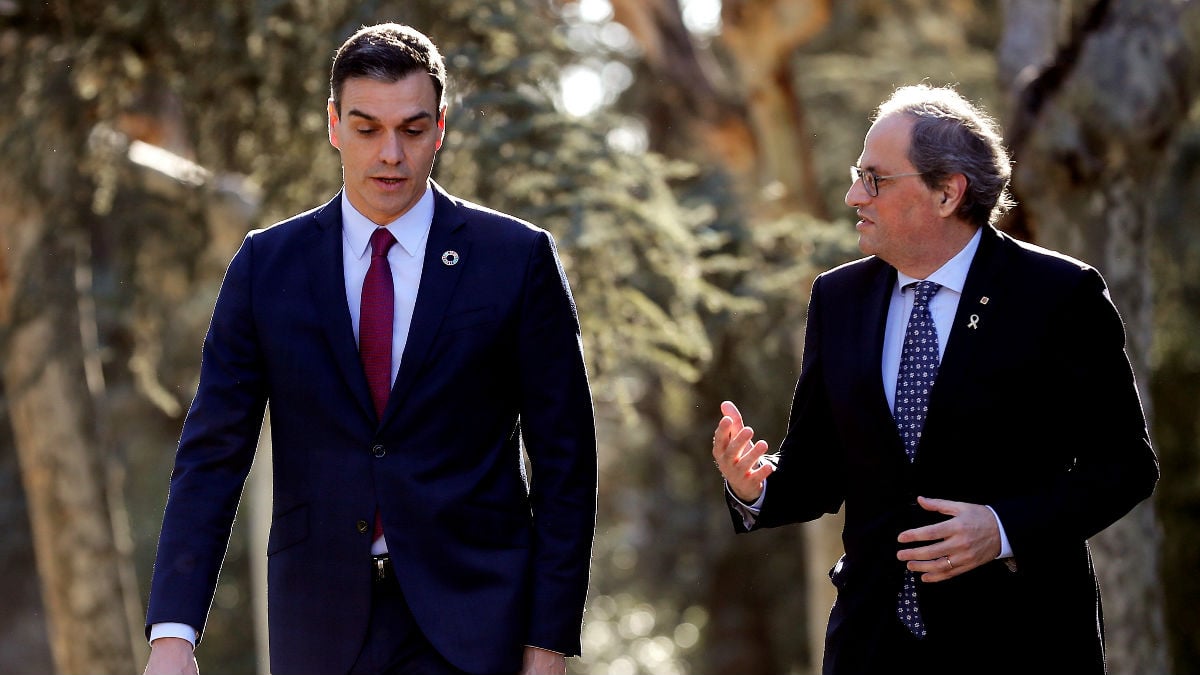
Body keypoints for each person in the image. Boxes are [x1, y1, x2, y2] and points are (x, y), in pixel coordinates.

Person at [143, 23, 597, 675]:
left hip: (477, 627)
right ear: (333, 124)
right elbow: (212, 454)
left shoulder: (516, 260)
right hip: (319, 628)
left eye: (412, 130)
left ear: (440, 127)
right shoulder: (266, 266)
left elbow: (566, 465)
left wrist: (548, 642)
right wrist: (173, 632)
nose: (391, 153)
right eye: (367, 129)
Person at [711, 83, 1158, 675]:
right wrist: (756, 486)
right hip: (872, 645)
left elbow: (1124, 467)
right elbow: (817, 473)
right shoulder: (837, 297)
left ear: (947, 192)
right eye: (856, 175)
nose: (852, 196)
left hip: (1022, 642)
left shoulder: (1058, 294)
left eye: (875, 179)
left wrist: (1002, 530)